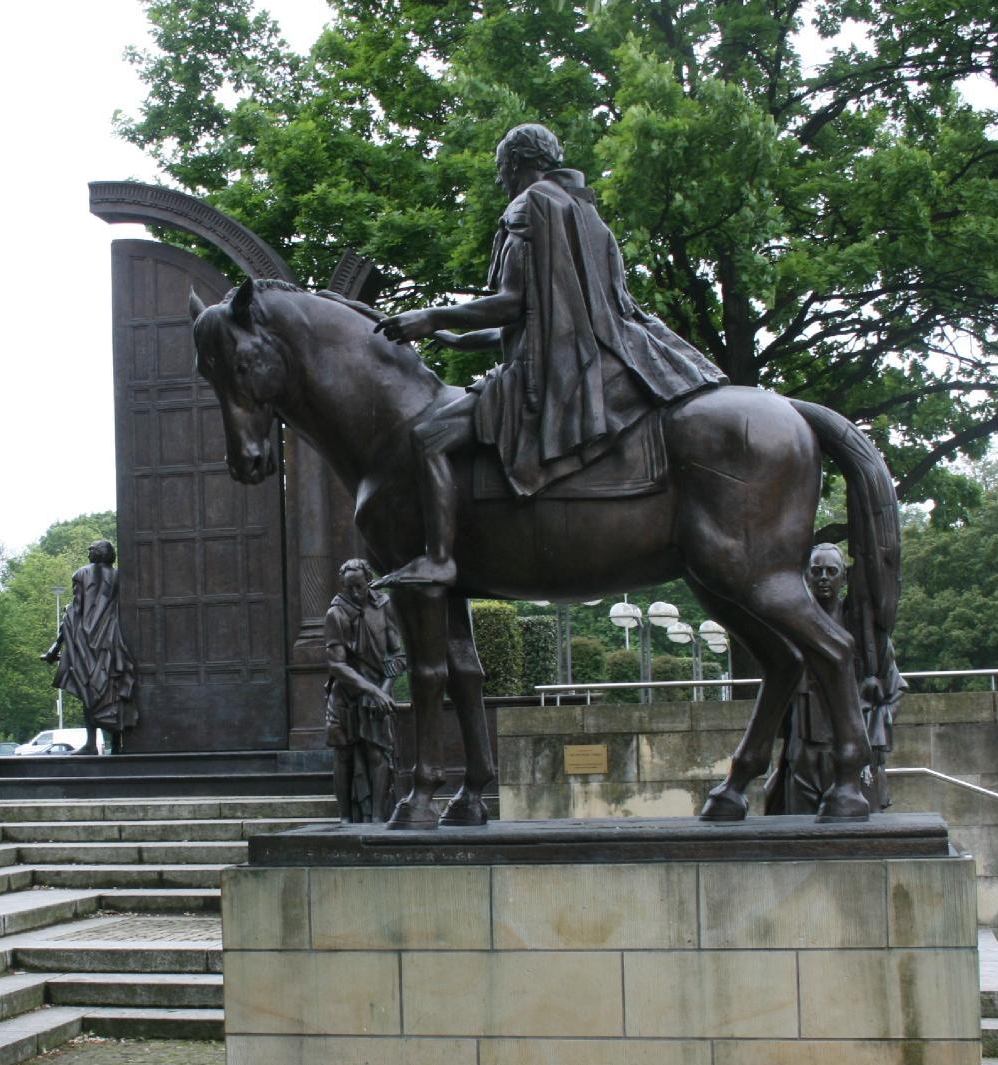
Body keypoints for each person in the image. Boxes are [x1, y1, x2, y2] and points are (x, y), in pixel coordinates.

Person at [374, 122, 727, 587]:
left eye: (502, 168)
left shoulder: (528, 205)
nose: (501, 179)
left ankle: (439, 559)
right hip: (602, 362)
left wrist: (433, 317)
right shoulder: (585, 213)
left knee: (429, 439)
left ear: (516, 163)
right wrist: (464, 340)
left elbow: (512, 302)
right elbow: (547, 318)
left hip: (545, 375)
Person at [764, 543, 906, 814]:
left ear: (844, 576)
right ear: (806, 575)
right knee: (796, 830)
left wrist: (875, 726)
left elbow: (896, 690)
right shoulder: (789, 630)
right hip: (803, 751)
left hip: (851, 753)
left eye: (831, 571)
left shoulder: (867, 638)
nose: (823, 578)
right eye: (816, 571)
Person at [324, 558, 408, 823]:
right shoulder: (336, 614)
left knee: (377, 751)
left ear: (368, 581)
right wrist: (374, 692)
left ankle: (378, 818)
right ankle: (345, 818)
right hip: (346, 693)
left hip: (377, 689)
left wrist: (383, 690)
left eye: (359, 586)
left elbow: (398, 654)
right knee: (343, 754)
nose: (355, 593)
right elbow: (337, 665)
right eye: (349, 588)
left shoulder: (384, 606)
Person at [40, 540, 139, 755]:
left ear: (96, 554)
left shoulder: (82, 574)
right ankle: (116, 744)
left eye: (90, 550)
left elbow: (76, 609)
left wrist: (56, 646)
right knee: (112, 688)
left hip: (87, 640)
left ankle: (91, 744)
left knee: (89, 688)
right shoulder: (119, 576)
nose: (88, 554)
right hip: (111, 639)